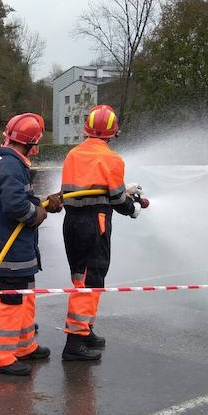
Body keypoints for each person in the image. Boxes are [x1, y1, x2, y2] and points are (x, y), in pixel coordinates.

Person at [60, 104, 148, 362]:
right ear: (112, 132)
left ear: (87, 129)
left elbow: (91, 187)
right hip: (94, 224)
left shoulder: (73, 154)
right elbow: (117, 199)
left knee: (82, 276)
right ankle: (75, 342)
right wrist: (132, 208)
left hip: (73, 222)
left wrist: (123, 191)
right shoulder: (112, 159)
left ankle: (85, 329)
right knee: (90, 280)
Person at [0, 113, 60, 376]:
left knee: (25, 296)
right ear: (32, 143)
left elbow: (20, 197)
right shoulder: (10, 166)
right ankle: (1, 357)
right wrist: (38, 213)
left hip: (18, 247)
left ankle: (24, 345)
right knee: (12, 300)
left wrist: (42, 203)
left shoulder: (8, 161)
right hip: (11, 248)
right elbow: (15, 205)